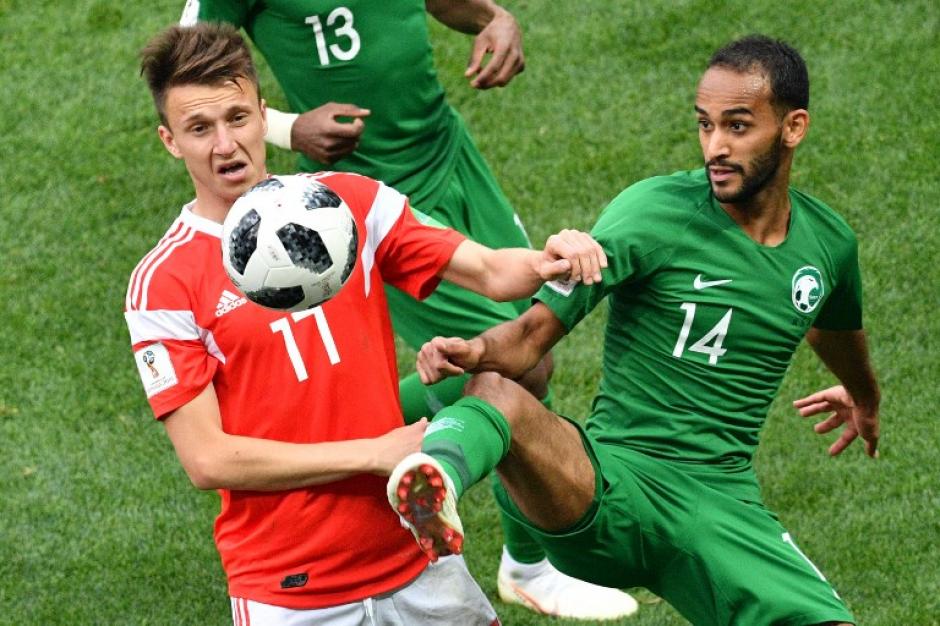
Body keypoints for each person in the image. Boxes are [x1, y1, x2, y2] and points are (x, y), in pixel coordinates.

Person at [125, 22, 608, 625]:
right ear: (170, 141)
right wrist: (374, 453)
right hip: (289, 589)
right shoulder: (164, 281)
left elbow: (487, 270)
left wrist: (549, 259)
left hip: (416, 556)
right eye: (200, 129)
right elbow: (209, 459)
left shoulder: (349, 203)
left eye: (237, 118)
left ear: (262, 114)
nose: (226, 145)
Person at [390, 34, 881, 626]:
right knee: (497, 391)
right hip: (608, 488)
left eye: (737, 126)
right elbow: (527, 339)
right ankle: (431, 479)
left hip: (721, 508)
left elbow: (831, 325)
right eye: (704, 125)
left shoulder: (828, 246)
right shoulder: (653, 213)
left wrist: (864, 396)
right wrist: (475, 349)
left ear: (793, 127)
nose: (715, 148)